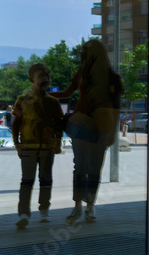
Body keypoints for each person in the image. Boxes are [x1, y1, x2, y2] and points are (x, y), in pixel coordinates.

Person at [50, 39, 122, 224]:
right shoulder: (98, 75)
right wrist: (112, 131)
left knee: (84, 167)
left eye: (85, 51)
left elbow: (116, 106)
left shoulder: (106, 77)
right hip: (97, 125)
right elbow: (67, 93)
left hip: (91, 124)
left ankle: (83, 207)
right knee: (89, 167)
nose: (82, 54)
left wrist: (113, 132)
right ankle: (84, 207)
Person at [11, 63, 65, 229]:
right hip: (28, 146)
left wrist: (57, 142)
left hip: (47, 148)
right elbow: (16, 124)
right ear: (31, 79)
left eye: (47, 76)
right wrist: (17, 144)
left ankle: (44, 210)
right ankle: (24, 214)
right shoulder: (22, 100)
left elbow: (59, 124)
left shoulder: (53, 102)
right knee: (27, 180)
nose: (45, 80)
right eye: (41, 76)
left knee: (46, 178)